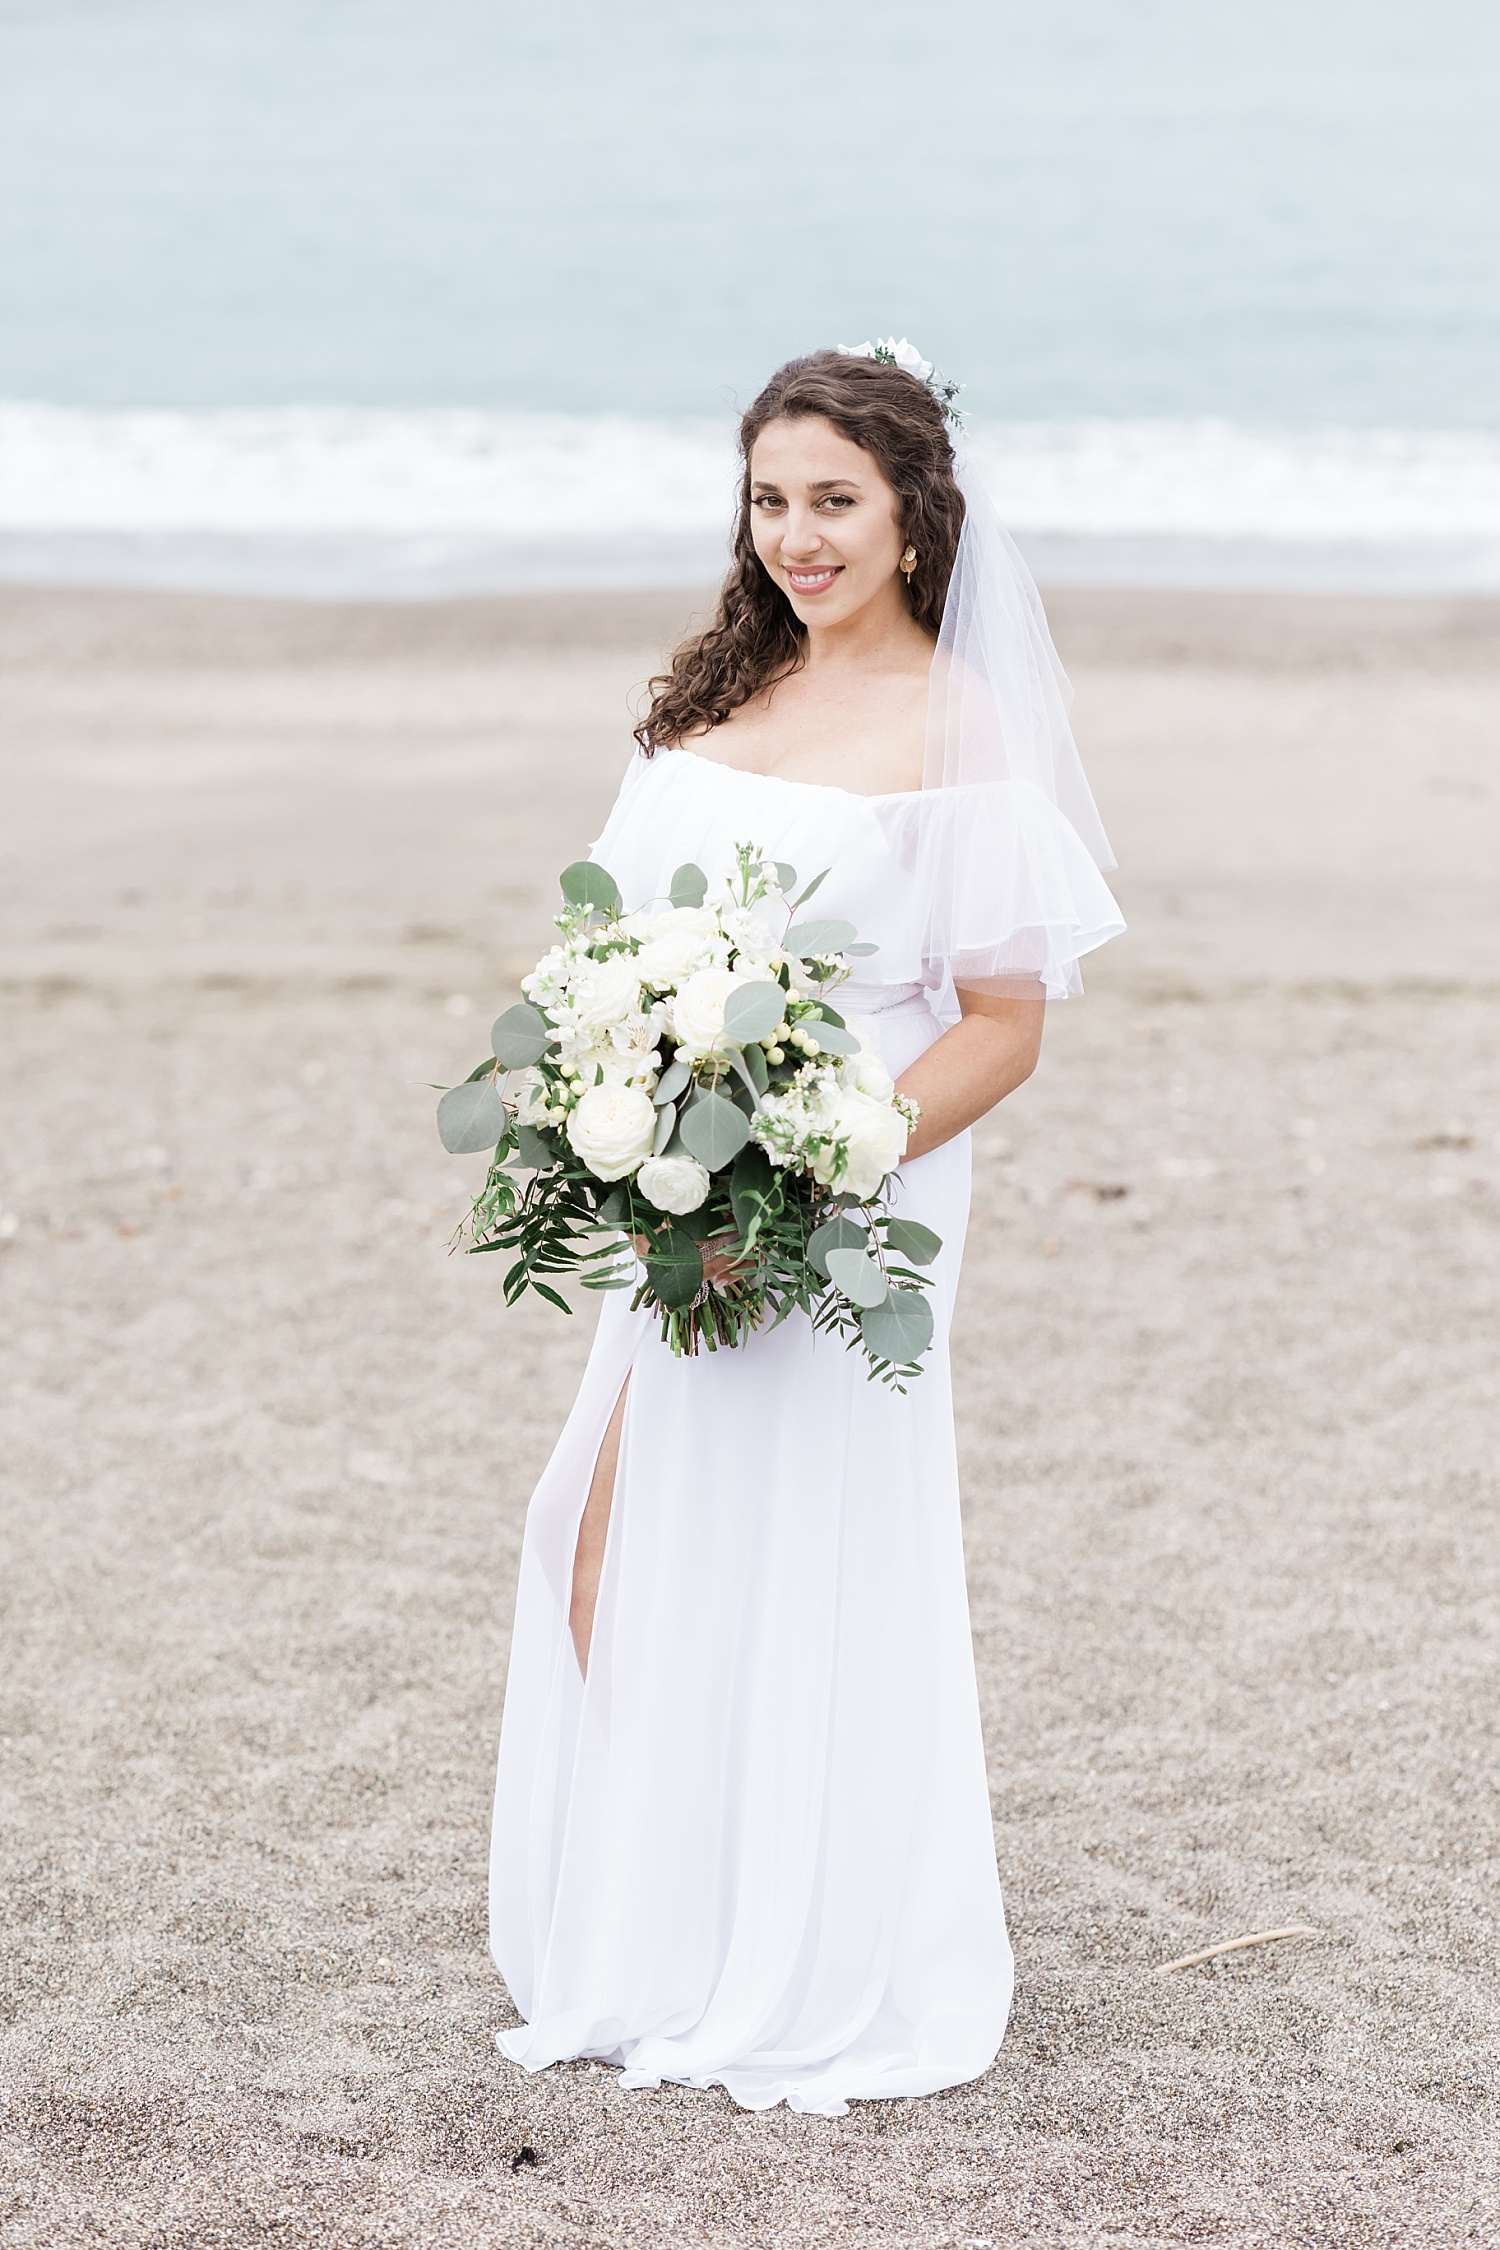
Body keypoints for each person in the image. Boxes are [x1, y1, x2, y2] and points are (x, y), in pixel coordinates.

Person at [488, 344, 1124, 2115]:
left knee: (789, 1574)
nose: (798, 536)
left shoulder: (954, 727)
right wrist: (616, 1102)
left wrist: (811, 1171)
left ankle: (788, 1954)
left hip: (833, 1223)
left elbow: (1002, 1022)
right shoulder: (712, 699)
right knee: (603, 1546)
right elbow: (614, 957)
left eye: (835, 499)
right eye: (771, 499)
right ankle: (665, 1937)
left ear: (917, 514)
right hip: (672, 1208)